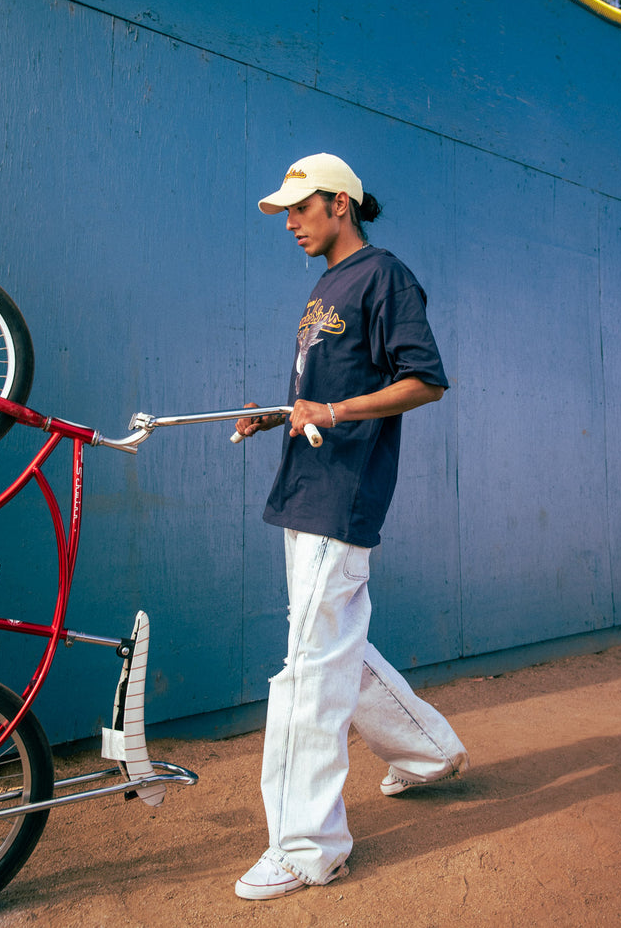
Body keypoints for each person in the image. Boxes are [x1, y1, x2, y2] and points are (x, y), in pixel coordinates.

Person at [234, 153, 468, 901]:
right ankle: (430, 752)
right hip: (303, 488)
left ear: (342, 203)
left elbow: (424, 379)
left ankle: (309, 847)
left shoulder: (385, 276)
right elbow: (322, 388)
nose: (292, 222)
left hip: (344, 492)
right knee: (333, 644)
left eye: (302, 208)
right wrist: (281, 411)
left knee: (310, 666)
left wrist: (332, 414)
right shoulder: (322, 286)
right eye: (288, 211)